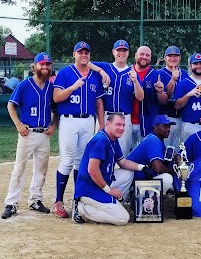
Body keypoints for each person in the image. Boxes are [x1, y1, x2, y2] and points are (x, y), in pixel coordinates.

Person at [52, 41, 105, 218]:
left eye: (86, 53)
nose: (83, 55)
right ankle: (58, 201)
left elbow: (98, 102)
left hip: (88, 121)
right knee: (67, 160)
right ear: (74, 54)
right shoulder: (66, 73)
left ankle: (77, 200)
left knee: (81, 162)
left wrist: (101, 123)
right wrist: (73, 87)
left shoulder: (94, 75)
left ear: (89, 55)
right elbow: (57, 97)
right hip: (69, 120)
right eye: (80, 52)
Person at [2, 53, 57, 219]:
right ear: (34, 66)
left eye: (48, 64)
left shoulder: (51, 86)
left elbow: (56, 110)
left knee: (42, 169)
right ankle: (11, 203)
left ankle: (35, 200)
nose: (45, 68)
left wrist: (54, 125)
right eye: (42, 64)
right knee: (19, 168)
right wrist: (18, 124)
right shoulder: (25, 85)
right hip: (28, 133)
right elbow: (11, 105)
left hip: (44, 134)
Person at [73, 113, 147, 225]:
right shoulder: (101, 140)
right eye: (118, 124)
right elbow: (92, 170)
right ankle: (82, 209)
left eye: (123, 125)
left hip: (100, 182)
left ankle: (112, 204)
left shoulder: (112, 138)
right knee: (123, 219)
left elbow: (123, 163)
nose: (121, 128)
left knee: (128, 173)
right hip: (90, 189)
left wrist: (143, 168)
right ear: (108, 123)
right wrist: (108, 190)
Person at [89, 39, 144, 156]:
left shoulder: (132, 73)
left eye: (124, 50)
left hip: (124, 118)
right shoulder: (105, 66)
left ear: (128, 53)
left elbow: (140, 97)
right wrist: (101, 71)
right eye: (119, 50)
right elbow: (85, 62)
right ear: (113, 52)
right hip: (105, 116)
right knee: (100, 152)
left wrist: (135, 82)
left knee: (122, 154)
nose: (122, 53)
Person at [111, 114, 177, 200]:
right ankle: (140, 200)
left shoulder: (156, 139)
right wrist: (175, 170)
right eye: (165, 126)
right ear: (156, 127)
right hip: (129, 180)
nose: (168, 129)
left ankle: (140, 200)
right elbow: (158, 168)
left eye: (169, 126)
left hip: (136, 180)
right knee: (167, 179)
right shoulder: (153, 140)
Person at [130, 45, 168, 147]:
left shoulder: (155, 75)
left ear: (150, 58)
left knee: (147, 156)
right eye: (141, 54)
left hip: (148, 123)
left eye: (147, 55)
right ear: (135, 55)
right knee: (126, 157)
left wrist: (160, 92)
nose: (144, 57)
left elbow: (164, 101)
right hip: (127, 122)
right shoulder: (127, 72)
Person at [174, 53, 201, 142]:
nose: (198, 66)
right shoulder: (184, 83)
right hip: (190, 125)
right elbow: (176, 106)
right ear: (191, 65)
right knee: (188, 154)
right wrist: (188, 95)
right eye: (195, 64)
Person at [157, 46, 189, 149]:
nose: (173, 58)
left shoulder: (185, 74)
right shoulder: (159, 74)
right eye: (170, 56)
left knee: (179, 151)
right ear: (165, 58)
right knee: (165, 150)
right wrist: (173, 80)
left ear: (180, 58)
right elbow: (165, 99)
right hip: (165, 117)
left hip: (181, 118)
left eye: (175, 56)